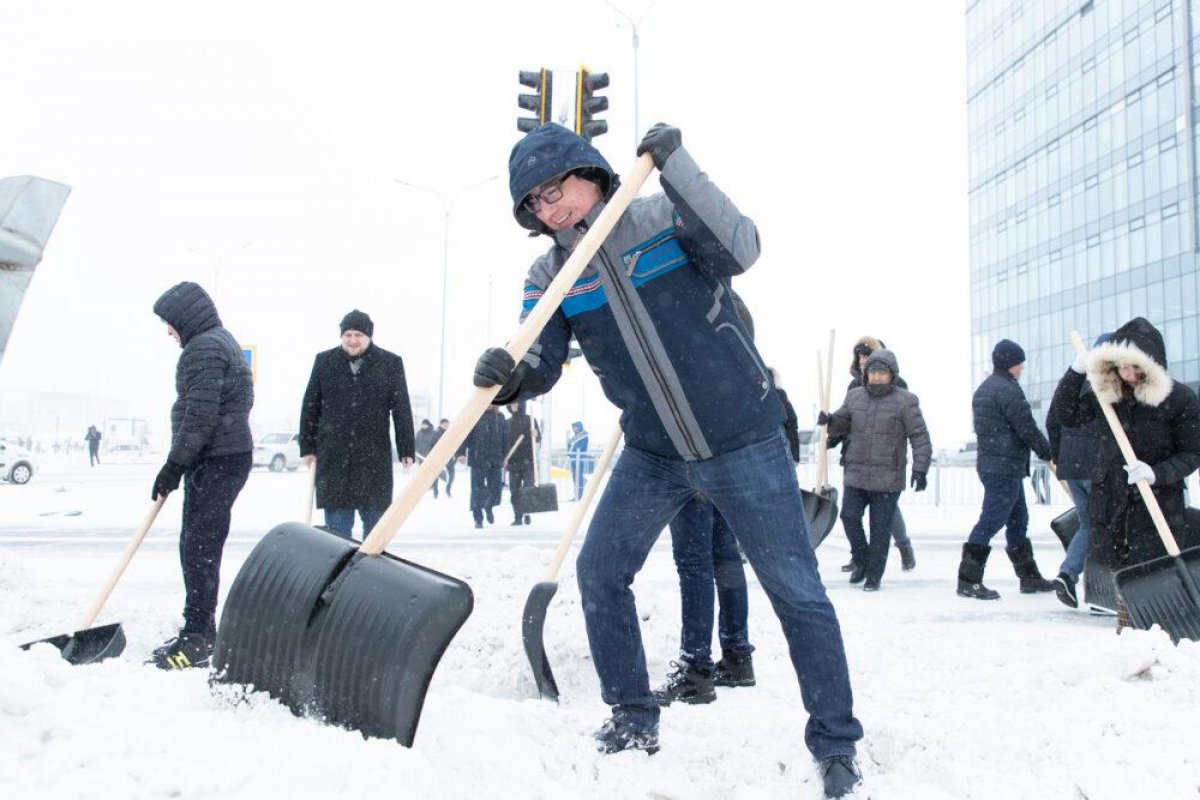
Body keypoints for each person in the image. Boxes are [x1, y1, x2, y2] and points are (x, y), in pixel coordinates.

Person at [471, 122, 863, 798]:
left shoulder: (660, 219)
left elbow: (742, 246)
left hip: (743, 436)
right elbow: (538, 359)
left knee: (796, 591)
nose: (548, 207)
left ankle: (835, 743)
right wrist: (508, 376)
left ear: (589, 172)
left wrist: (677, 165)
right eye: (532, 203)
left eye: (553, 188)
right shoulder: (550, 274)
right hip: (653, 450)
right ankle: (631, 715)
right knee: (600, 571)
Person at [1050, 318, 1200, 626]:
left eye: (1136, 368)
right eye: (1122, 367)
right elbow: (1064, 414)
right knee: (1122, 584)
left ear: (1153, 364)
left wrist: (1157, 473)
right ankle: (1127, 634)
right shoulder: (1108, 397)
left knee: (1153, 583)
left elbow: (1193, 453)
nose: (1129, 376)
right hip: (1113, 507)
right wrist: (1075, 372)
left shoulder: (1180, 399)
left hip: (1157, 506)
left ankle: (1156, 634)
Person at [147, 282, 254, 670]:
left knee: (198, 549)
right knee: (199, 546)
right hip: (222, 457)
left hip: (217, 459)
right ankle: (199, 629)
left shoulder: (203, 348)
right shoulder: (220, 341)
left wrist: (175, 464)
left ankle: (197, 638)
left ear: (185, 318)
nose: (169, 331)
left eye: (170, 323)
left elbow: (201, 415)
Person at [820, 350, 931, 591]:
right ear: (866, 374)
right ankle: (861, 559)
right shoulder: (854, 397)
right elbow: (841, 423)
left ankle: (874, 574)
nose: (877, 377)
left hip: (887, 476)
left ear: (892, 375)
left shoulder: (906, 401)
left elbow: (920, 436)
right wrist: (829, 421)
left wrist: (920, 469)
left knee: (880, 529)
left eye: (881, 372)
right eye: (872, 372)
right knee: (849, 517)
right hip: (856, 472)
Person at [299, 310, 415, 540]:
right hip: (334, 459)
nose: (352, 340)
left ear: (369, 336)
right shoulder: (324, 362)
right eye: (348, 334)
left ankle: (370, 573)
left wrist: (406, 448)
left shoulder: (390, 363)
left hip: (373, 459)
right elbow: (310, 405)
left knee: (375, 534)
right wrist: (308, 447)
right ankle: (342, 574)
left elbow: (401, 409)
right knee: (337, 536)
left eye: (358, 335)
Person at [959, 339, 1055, 600]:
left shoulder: (986, 389)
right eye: (1019, 363)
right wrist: (1046, 450)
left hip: (998, 464)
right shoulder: (1007, 390)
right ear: (1010, 363)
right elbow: (1025, 426)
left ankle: (1029, 577)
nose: (1022, 368)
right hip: (1003, 466)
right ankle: (968, 579)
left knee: (1017, 520)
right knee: (992, 519)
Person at [1046, 333, 1113, 608]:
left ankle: (1068, 574)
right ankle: (1101, 595)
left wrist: (1063, 456)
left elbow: (1053, 420)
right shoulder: (1108, 385)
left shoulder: (1073, 386)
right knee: (1104, 525)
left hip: (1073, 465)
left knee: (1090, 524)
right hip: (1095, 465)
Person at [457, 405, 507, 528]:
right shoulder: (474, 416)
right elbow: (464, 436)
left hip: (495, 458)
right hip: (477, 457)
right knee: (477, 489)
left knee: (496, 488)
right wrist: (461, 453)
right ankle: (478, 518)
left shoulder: (500, 417)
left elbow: (505, 438)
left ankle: (488, 505)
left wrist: (506, 456)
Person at [503, 401, 539, 525]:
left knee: (528, 488)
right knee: (514, 491)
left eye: (516, 404)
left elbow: (538, 438)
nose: (513, 406)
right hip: (513, 463)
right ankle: (518, 516)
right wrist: (505, 457)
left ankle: (527, 512)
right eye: (511, 404)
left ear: (521, 405)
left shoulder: (530, 420)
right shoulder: (507, 423)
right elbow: (504, 443)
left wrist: (536, 434)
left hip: (528, 461)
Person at [414, 418, 441, 498]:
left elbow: (437, 443)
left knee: (434, 474)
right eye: (422, 424)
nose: (423, 426)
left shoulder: (434, 433)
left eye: (425, 424)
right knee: (423, 473)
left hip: (432, 456)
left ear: (428, 425)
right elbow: (416, 443)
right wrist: (416, 452)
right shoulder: (419, 433)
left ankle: (435, 489)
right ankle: (424, 488)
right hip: (421, 457)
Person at [567, 420, 591, 501]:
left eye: (576, 427)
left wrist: (573, 451)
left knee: (578, 477)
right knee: (575, 478)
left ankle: (580, 495)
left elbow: (579, 448)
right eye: (573, 427)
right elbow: (569, 447)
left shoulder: (584, 436)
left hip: (579, 459)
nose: (575, 429)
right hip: (573, 459)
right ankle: (576, 495)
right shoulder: (573, 438)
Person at [434, 418, 454, 497]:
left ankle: (448, 488)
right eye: (444, 424)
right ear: (440, 424)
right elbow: (432, 445)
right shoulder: (436, 433)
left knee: (451, 474)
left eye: (447, 424)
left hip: (449, 456)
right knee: (436, 475)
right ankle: (435, 490)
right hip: (439, 457)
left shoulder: (451, 433)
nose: (445, 425)